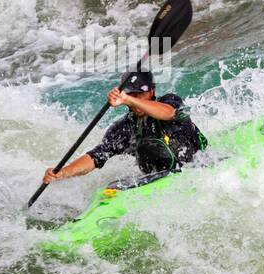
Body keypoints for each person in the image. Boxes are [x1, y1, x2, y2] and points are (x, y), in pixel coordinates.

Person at [41, 70, 207, 187]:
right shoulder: (124, 128)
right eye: (131, 94)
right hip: (156, 180)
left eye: (140, 94)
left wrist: (128, 99)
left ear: (152, 92)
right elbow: (96, 157)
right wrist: (63, 173)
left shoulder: (170, 101)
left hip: (199, 168)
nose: (135, 99)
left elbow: (168, 113)